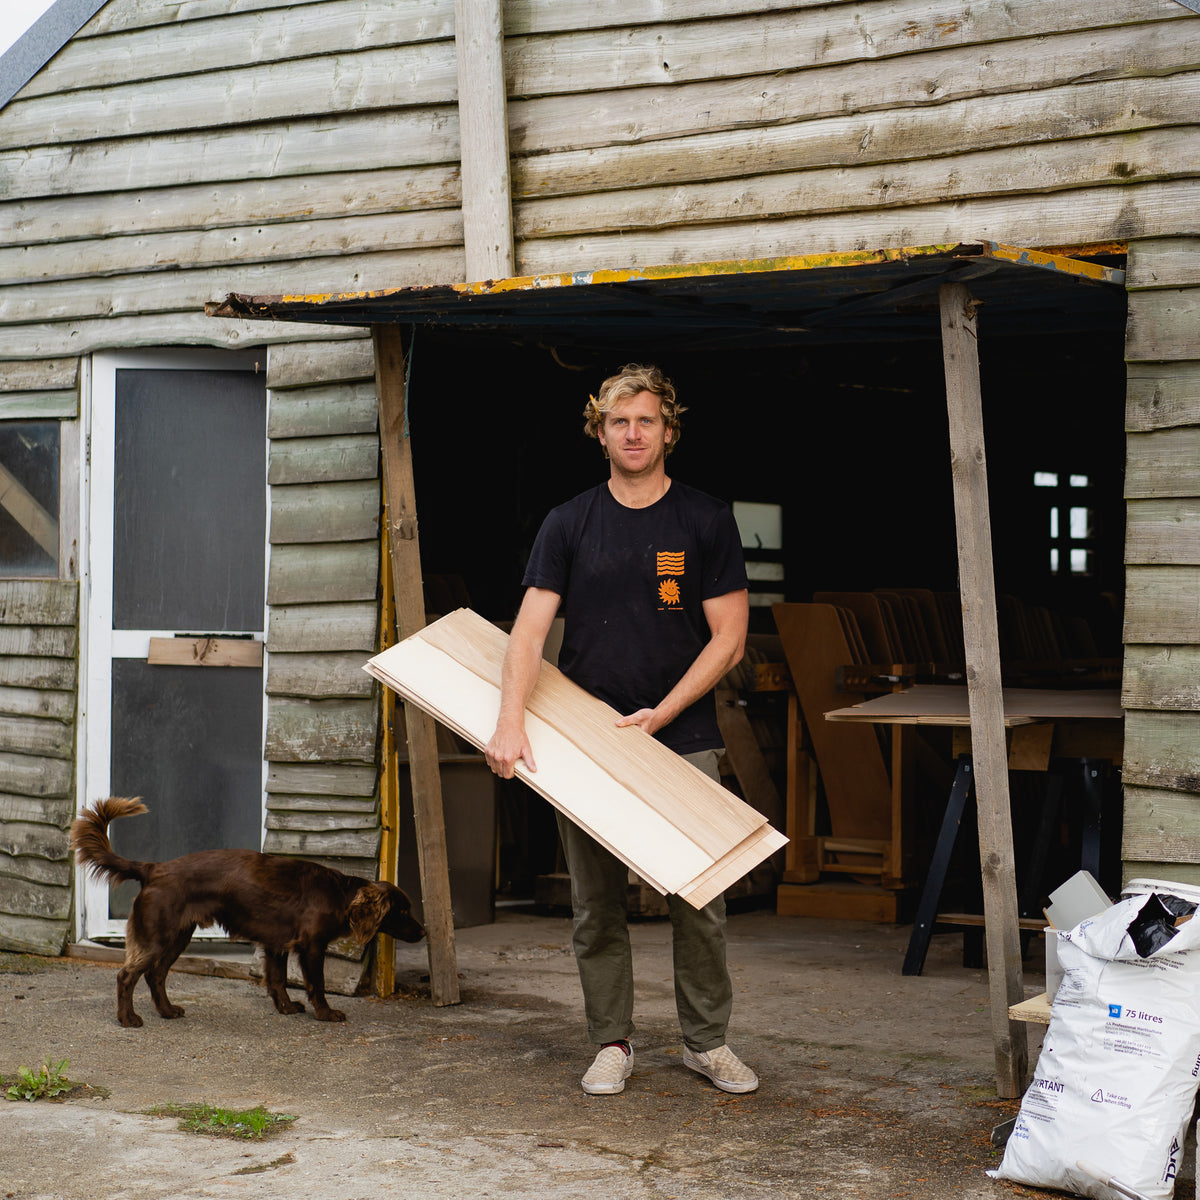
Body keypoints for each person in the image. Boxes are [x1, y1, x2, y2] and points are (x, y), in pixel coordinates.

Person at [483, 363, 758, 1097]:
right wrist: (509, 722)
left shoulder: (705, 518)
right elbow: (528, 631)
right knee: (594, 905)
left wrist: (663, 713)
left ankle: (707, 1041)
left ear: (669, 430)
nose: (632, 433)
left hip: (683, 731)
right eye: (617, 421)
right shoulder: (568, 522)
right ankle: (612, 1042)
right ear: (598, 432)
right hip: (589, 737)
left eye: (645, 421)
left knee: (699, 898)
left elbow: (728, 637)